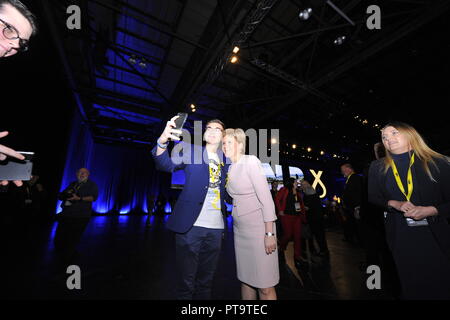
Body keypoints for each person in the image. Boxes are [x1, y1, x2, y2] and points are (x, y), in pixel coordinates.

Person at [368, 121, 450, 299]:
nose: (388, 139)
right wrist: (393, 203)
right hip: (400, 234)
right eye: (384, 137)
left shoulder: (438, 162)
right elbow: (373, 197)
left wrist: (432, 210)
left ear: (411, 135)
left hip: (435, 234)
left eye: (394, 133)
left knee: (441, 283)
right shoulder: (378, 167)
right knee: (411, 285)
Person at [151, 116, 229, 300]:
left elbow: (232, 192)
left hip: (216, 229)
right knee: (186, 283)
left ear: (223, 136)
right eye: (209, 127)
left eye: (218, 129)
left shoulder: (228, 161)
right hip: (190, 227)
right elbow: (165, 165)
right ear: (204, 134)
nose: (212, 130)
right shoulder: (191, 151)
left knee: (206, 282)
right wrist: (162, 141)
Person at [223, 128, 279, 300]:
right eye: (223, 143)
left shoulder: (250, 162)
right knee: (246, 280)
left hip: (259, 231)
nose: (224, 146)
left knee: (265, 285)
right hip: (241, 232)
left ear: (239, 144)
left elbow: (266, 200)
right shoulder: (229, 167)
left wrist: (269, 233)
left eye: (229, 142)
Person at [54, 168, 98, 266]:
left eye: (84, 173)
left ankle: (67, 262)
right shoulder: (73, 184)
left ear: (88, 174)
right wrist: (63, 196)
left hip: (80, 216)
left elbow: (93, 197)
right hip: (66, 214)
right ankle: (63, 257)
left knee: (73, 238)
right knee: (59, 238)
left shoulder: (92, 185)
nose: (82, 174)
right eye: (80, 172)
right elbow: (63, 194)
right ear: (76, 174)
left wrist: (79, 198)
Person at [275, 177, 307, 268]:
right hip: (286, 217)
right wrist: (280, 210)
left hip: (297, 217)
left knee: (297, 236)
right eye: (296, 182)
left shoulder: (297, 192)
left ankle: (298, 256)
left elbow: (299, 204)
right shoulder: (284, 190)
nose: (297, 183)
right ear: (292, 182)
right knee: (288, 235)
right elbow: (277, 199)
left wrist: (302, 211)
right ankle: (282, 247)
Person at [300, 179, 329, 260]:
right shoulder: (310, 192)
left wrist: (299, 207)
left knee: (319, 235)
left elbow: (308, 207)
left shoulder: (309, 193)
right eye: (302, 184)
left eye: (304, 184)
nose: (303, 186)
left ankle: (323, 251)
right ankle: (323, 250)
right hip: (316, 217)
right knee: (319, 235)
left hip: (315, 218)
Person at [340, 163, 363, 244]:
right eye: (342, 171)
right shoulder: (350, 178)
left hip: (355, 207)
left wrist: (357, 206)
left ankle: (360, 242)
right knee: (353, 225)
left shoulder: (355, 178)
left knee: (358, 226)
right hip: (351, 208)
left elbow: (358, 193)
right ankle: (355, 240)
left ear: (349, 169)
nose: (342, 172)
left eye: (344, 170)